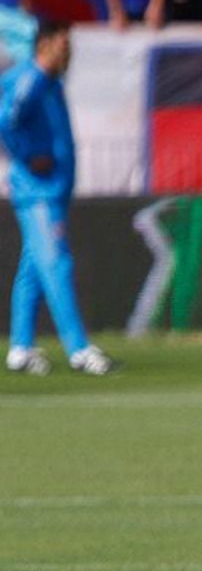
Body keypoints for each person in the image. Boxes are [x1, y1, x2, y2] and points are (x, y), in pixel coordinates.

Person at [3, 21, 114, 377]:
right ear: (45, 45)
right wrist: (27, 155)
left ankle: (20, 348)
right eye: (63, 47)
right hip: (37, 192)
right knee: (57, 264)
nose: (68, 54)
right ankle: (78, 349)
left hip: (53, 189)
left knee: (33, 268)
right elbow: (6, 120)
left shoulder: (50, 82)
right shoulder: (30, 80)